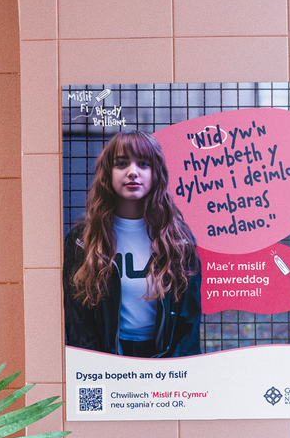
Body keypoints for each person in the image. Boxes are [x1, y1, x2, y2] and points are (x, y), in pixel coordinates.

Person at [62, 130, 202, 358]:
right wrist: (98, 367)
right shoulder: (82, 241)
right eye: (121, 163)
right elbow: (78, 323)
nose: (132, 172)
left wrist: (176, 370)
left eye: (144, 164)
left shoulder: (178, 239)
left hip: (165, 362)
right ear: (108, 172)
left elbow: (188, 322)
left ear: (156, 173)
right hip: (106, 360)